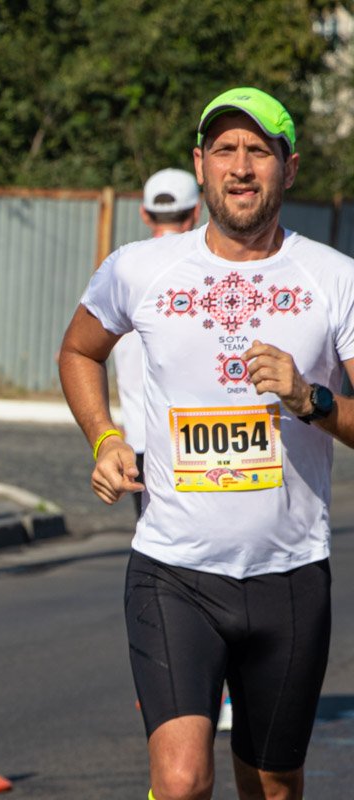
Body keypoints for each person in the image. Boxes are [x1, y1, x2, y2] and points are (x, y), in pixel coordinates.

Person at [59, 87, 354, 800]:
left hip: (289, 573)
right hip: (174, 570)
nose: (242, 166)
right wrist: (103, 438)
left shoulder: (333, 279)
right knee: (183, 779)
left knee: (275, 783)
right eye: (226, 149)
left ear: (290, 168)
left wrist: (307, 397)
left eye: (260, 151)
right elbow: (78, 351)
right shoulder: (140, 268)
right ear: (200, 164)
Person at [112, 169, 200, 518]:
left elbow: (75, 353)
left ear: (144, 213)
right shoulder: (205, 274)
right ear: (197, 212)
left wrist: (105, 433)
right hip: (198, 442)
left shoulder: (121, 272)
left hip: (139, 443)